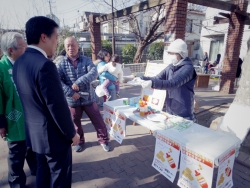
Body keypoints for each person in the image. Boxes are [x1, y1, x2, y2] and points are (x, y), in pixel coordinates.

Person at [12, 16, 80, 188]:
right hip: (54, 137)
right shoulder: (45, 65)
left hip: (35, 135)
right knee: (59, 179)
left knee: (43, 174)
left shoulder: (18, 62)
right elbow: (57, 106)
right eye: (56, 37)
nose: (57, 43)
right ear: (44, 37)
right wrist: (72, 133)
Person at [57, 37, 111, 152]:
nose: (71, 48)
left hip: (89, 98)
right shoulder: (61, 63)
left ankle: (104, 140)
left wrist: (78, 82)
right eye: (68, 46)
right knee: (75, 124)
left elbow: (94, 73)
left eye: (73, 45)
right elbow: (57, 80)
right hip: (72, 100)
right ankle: (79, 142)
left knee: (98, 121)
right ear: (65, 47)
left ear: (78, 46)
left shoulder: (86, 60)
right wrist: (70, 92)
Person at [0, 32, 37, 188]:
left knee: (33, 148)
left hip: (32, 117)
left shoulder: (26, 62)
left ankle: (38, 171)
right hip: (13, 119)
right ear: (11, 50)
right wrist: (1, 123)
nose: (26, 48)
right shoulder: (1, 68)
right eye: (22, 46)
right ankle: (17, 183)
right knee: (16, 154)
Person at [138, 39, 197, 121]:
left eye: (171, 53)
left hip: (183, 113)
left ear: (180, 54)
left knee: (180, 134)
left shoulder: (188, 68)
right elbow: (156, 78)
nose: (169, 55)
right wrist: (141, 78)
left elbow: (173, 83)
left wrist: (152, 83)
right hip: (170, 110)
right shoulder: (171, 67)